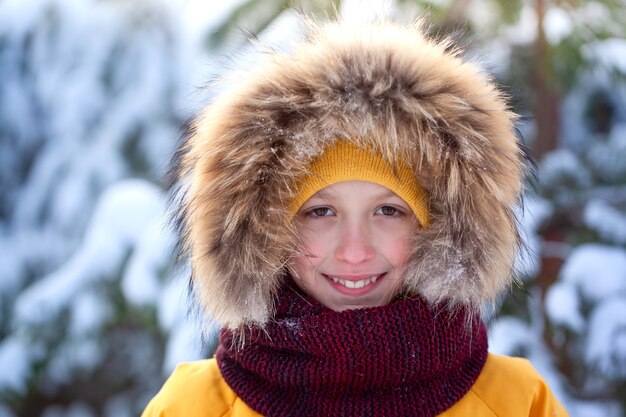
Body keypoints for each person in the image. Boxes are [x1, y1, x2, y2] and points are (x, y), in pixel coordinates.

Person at [141, 16, 569, 417]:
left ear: (440, 229)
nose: (354, 251)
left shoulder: (515, 401)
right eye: (320, 211)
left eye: (389, 210)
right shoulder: (194, 406)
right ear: (264, 234)